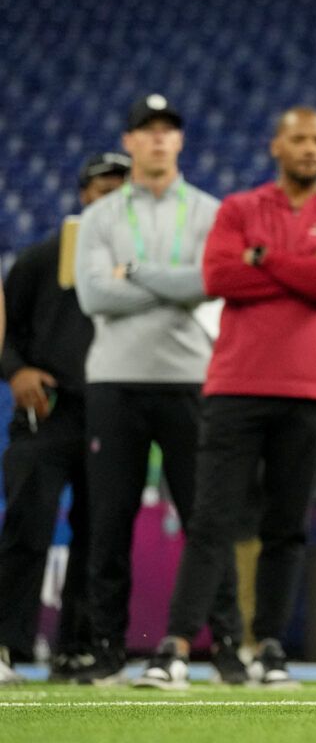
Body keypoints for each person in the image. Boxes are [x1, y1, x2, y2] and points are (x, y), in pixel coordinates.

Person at [137, 106, 316, 689]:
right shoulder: (239, 209)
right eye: (299, 139)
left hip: (311, 390)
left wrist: (262, 259)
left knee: (286, 527)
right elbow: (218, 277)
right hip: (235, 386)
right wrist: (302, 267)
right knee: (211, 521)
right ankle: (175, 647)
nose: (311, 148)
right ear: (276, 146)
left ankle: (268, 647)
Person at [75, 96, 244, 687]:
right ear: (130, 139)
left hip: (189, 380)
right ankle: (107, 650)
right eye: (146, 131)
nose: (157, 140)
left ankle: (226, 647)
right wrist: (176, 287)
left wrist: (138, 274)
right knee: (108, 520)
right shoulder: (98, 216)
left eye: (167, 130)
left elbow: (212, 282)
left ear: (180, 142)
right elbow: (93, 296)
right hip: (115, 382)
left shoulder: (209, 211)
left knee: (208, 519)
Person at [0, 153, 129, 683]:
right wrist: (15, 371)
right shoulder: (42, 257)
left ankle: (76, 648)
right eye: (101, 190)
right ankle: (6, 646)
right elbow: (5, 323)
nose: (110, 201)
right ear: (83, 197)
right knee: (28, 523)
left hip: (109, 411)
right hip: (45, 409)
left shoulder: (136, 267)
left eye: (121, 192)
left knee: (98, 534)